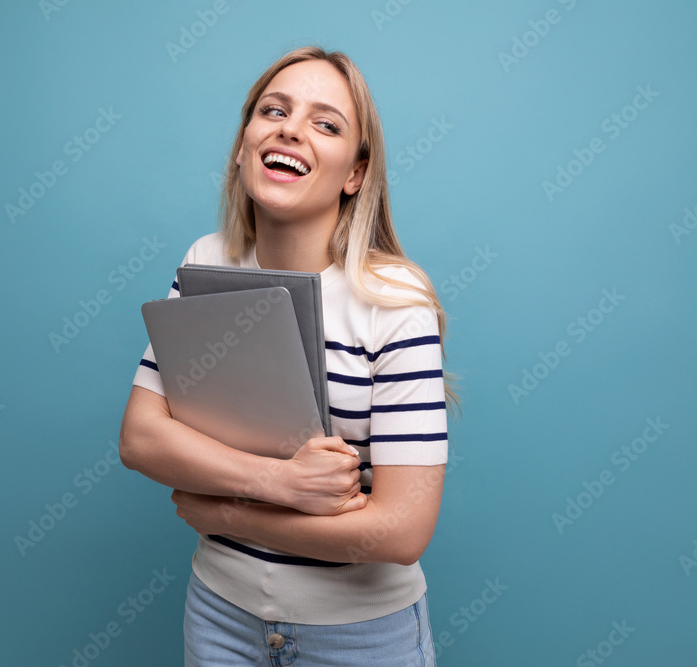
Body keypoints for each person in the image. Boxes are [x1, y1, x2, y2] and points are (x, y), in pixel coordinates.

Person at [119, 45, 457, 666]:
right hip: (220, 617)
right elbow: (141, 438)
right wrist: (282, 483)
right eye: (273, 110)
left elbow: (402, 531)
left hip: (360, 639)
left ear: (354, 174)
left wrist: (225, 513)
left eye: (326, 124)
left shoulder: (394, 300)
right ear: (244, 144)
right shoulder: (206, 262)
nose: (292, 129)